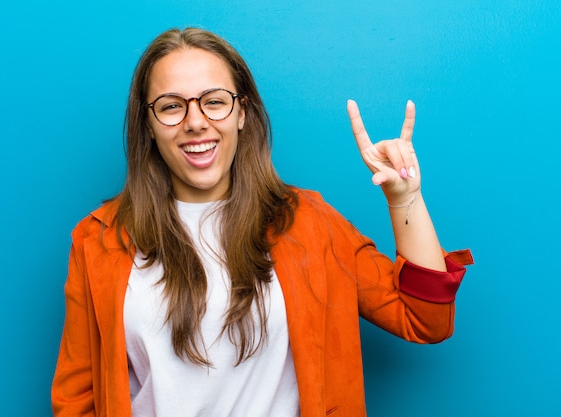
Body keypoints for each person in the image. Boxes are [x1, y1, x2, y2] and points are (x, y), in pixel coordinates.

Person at [51, 27, 473, 417]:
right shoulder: (99, 240)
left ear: (242, 112)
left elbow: (424, 318)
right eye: (171, 107)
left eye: (214, 101)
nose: (196, 121)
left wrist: (405, 198)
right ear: (148, 122)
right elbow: (77, 400)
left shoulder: (308, 223)